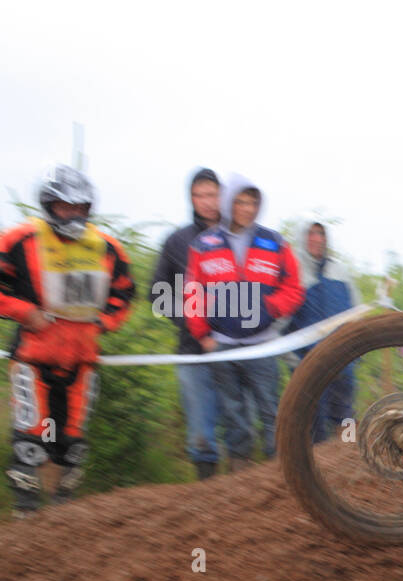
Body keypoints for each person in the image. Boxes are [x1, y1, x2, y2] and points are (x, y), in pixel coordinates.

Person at [1, 165, 135, 514]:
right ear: (49, 205)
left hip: (82, 360)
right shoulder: (20, 239)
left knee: (72, 447)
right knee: (31, 443)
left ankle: (65, 523)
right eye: (64, 206)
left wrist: (104, 323)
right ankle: (26, 518)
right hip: (34, 356)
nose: (72, 213)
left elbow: (124, 293)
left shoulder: (107, 248)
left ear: (88, 208)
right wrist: (23, 311)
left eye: (79, 207)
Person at [185, 174, 302, 468]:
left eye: (253, 202)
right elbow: (192, 292)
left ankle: (282, 471)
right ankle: (241, 474)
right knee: (232, 413)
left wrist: (270, 307)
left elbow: (293, 288)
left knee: (271, 410)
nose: (247, 208)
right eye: (240, 201)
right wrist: (203, 337)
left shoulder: (274, 242)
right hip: (222, 346)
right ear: (228, 203)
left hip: (262, 345)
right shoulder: (204, 243)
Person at [152, 168, 223, 479]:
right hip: (192, 349)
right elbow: (157, 293)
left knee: (242, 424)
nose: (206, 202)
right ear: (191, 199)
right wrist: (190, 323)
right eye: (200, 195)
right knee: (201, 431)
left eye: (212, 194)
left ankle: (248, 500)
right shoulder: (176, 241)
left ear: (222, 196)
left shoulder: (238, 237)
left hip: (240, 348)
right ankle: (208, 497)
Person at [286, 221, 359, 442]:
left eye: (321, 234)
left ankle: (352, 452)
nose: (317, 239)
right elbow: (281, 321)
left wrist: (358, 348)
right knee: (313, 421)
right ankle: (317, 471)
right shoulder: (293, 272)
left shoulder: (340, 270)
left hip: (342, 359)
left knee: (346, 415)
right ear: (302, 238)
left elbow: (356, 311)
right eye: (311, 234)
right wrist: (291, 359)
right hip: (308, 362)